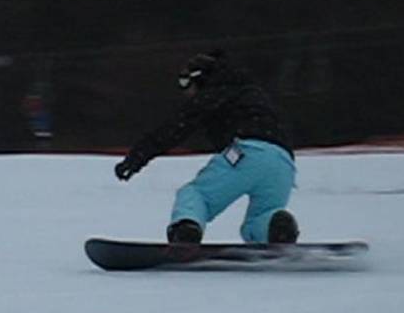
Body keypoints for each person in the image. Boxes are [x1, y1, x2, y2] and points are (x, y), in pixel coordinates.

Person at [114, 50, 299, 244]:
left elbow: (175, 128)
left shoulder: (214, 92)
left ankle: (186, 232)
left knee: (196, 195)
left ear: (199, 79)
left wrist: (136, 157)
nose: (185, 92)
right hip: (284, 163)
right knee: (261, 217)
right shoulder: (252, 92)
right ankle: (276, 230)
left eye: (185, 83)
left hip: (246, 153)